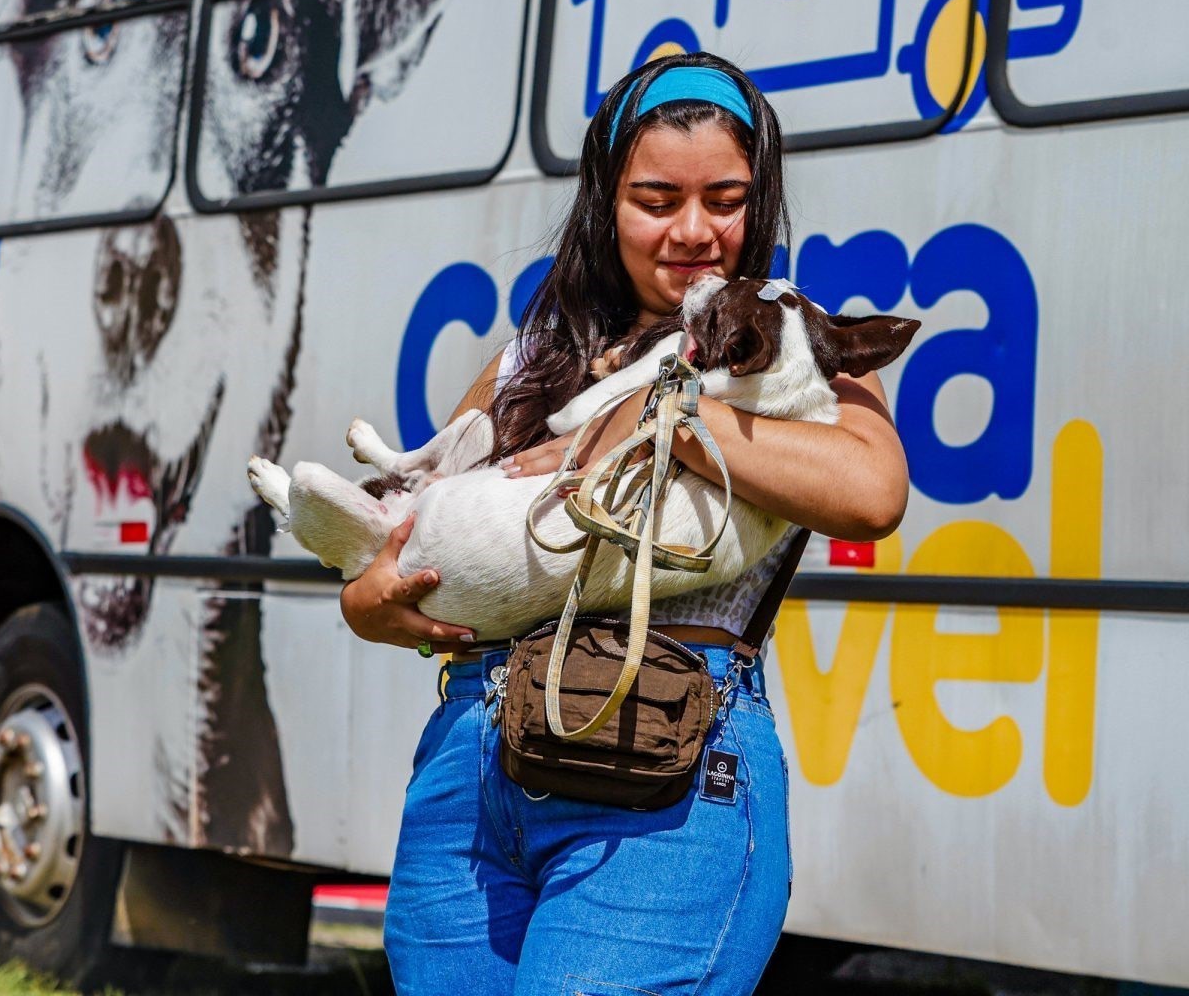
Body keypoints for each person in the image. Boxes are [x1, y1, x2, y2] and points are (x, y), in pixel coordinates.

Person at [341, 52, 909, 994]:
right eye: (656, 199)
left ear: (758, 202)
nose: (694, 232)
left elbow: (873, 491)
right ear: (605, 200)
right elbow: (418, 526)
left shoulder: (785, 346)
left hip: (659, 771)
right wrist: (368, 602)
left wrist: (665, 416)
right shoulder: (533, 353)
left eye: (724, 200)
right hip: (468, 775)